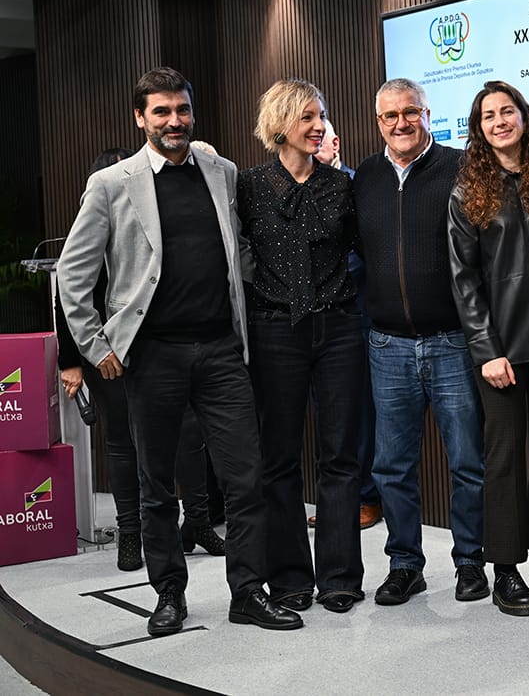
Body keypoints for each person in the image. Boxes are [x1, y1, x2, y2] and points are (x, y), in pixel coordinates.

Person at [57, 67, 302, 635]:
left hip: (221, 350)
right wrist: (96, 347)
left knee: (245, 481)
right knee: (156, 486)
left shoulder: (220, 169)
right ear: (140, 118)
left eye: (182, 110)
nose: (174, 121)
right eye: (161, 112)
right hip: (152, 357)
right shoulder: (112, 184)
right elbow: (73, 275)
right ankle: (169, 592)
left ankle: (248, 591)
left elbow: (238, 250)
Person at [55, 148, 226, 572]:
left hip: (159, 344)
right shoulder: (101, 204)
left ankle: (199, 523)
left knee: (189, 435)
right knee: (122, 442)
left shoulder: (156, 217)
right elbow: (69, 291)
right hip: (108, 349)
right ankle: (129, 533)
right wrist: (73, 358)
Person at [354, 78, 487, 607]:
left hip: (452, 342)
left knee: (467, 463)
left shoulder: (460, 167)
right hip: (387, 346)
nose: (401, 124)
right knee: (391, 467)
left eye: (412, 113)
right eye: (390, 116)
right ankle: (405, 564)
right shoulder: (364, 177)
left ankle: (471, 562)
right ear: (378, 122)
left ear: (429, 115)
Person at [238, 79, 365, 614]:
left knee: (340, 457)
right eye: (308, 117)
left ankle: (339, 576)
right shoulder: (248, 187)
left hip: (338, 328)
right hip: (274, 331)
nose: (319, 126)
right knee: (279, 459)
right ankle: (289, 577)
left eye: (322, 115)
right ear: (280, 125)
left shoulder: (341, 186)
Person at [448, 80, 529, 617]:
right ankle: (505, 569)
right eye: (488, 116)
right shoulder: (467, 189)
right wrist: (486, 349)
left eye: (508, 111)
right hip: (500, 347)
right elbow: (463, 279)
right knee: (502, 460)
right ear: (478, 129)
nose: (499, 121)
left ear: (525, 116)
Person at [308, 118, 383, 531]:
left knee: (360, 415)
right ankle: (339, 499)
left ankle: (366, 498)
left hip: (357, 313)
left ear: (336, 142)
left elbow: (365, 251)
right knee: (330, 416)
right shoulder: (296, 189)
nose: (313, 146)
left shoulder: (358, 186)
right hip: (317, 322)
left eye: (321, 139)